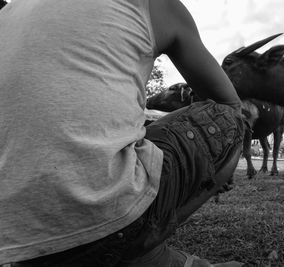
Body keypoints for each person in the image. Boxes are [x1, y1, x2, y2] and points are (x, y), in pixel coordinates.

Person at [0, 0, 245, 266]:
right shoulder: (155, 4)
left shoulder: (9, 12)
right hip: (110, 221)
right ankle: (141, 247)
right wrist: (219, 171)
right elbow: (229, 104)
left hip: (14, 239)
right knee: (229, 120)